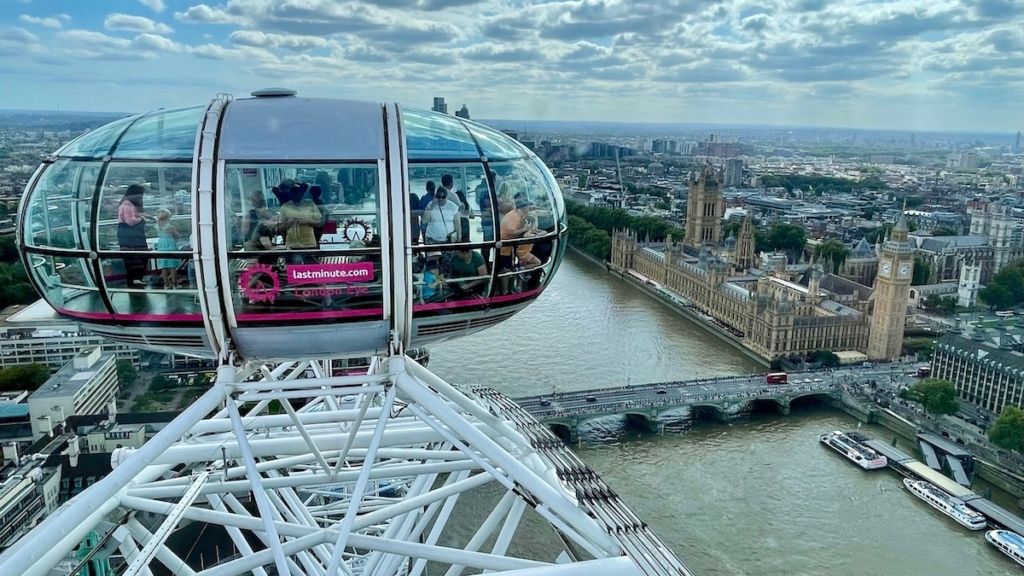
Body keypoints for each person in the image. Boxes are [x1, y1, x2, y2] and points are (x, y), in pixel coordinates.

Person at [116, 184, 151, 288]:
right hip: (131, 237)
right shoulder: (128, 205)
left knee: (133, 259)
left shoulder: (126, 203)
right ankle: (135, 282)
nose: (141, 197)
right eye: (140, 194)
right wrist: (142, 219)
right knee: (137, 258)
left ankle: (135, 282)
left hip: (129, 236)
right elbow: (130, 221)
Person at [155, 209, 181, 289]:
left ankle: (166, 284)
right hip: (170, 247)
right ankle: (174, 284)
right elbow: (177, 236)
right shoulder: (170, 227)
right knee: (172, 266)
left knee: (164, 266)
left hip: (161, 247)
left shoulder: (158, 226)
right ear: (167, 218)